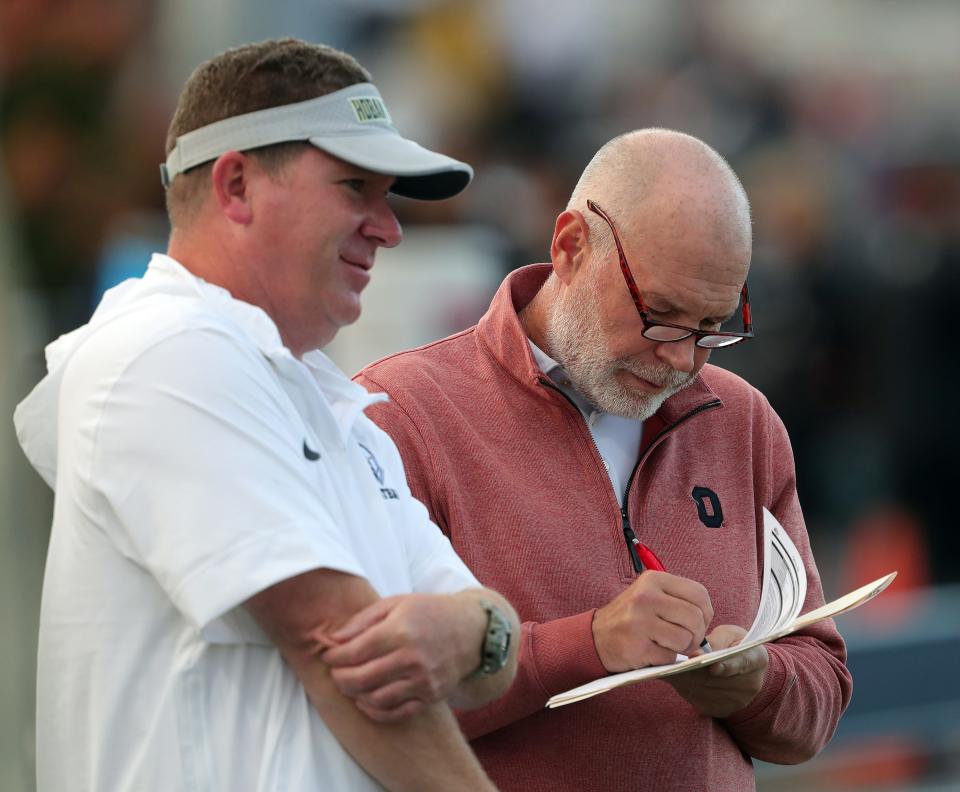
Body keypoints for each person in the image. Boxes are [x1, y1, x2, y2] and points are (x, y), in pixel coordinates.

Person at [14, 38, 520, 792]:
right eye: (356, 188)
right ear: (237, 185)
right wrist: (475, 632)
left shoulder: (326, 402)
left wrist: (473, 631)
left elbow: (493, 657)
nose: (390, 228)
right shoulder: (167, 349)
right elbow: (338, 650)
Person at [355, 129, 852, 791]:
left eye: (714, 325)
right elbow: (366, 697)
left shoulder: (744, 422)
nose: (682, 359)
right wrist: (587, 644)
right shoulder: (396, 414)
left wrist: (755, 681)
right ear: (569, 248)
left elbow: (818, 697)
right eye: (662, 314)